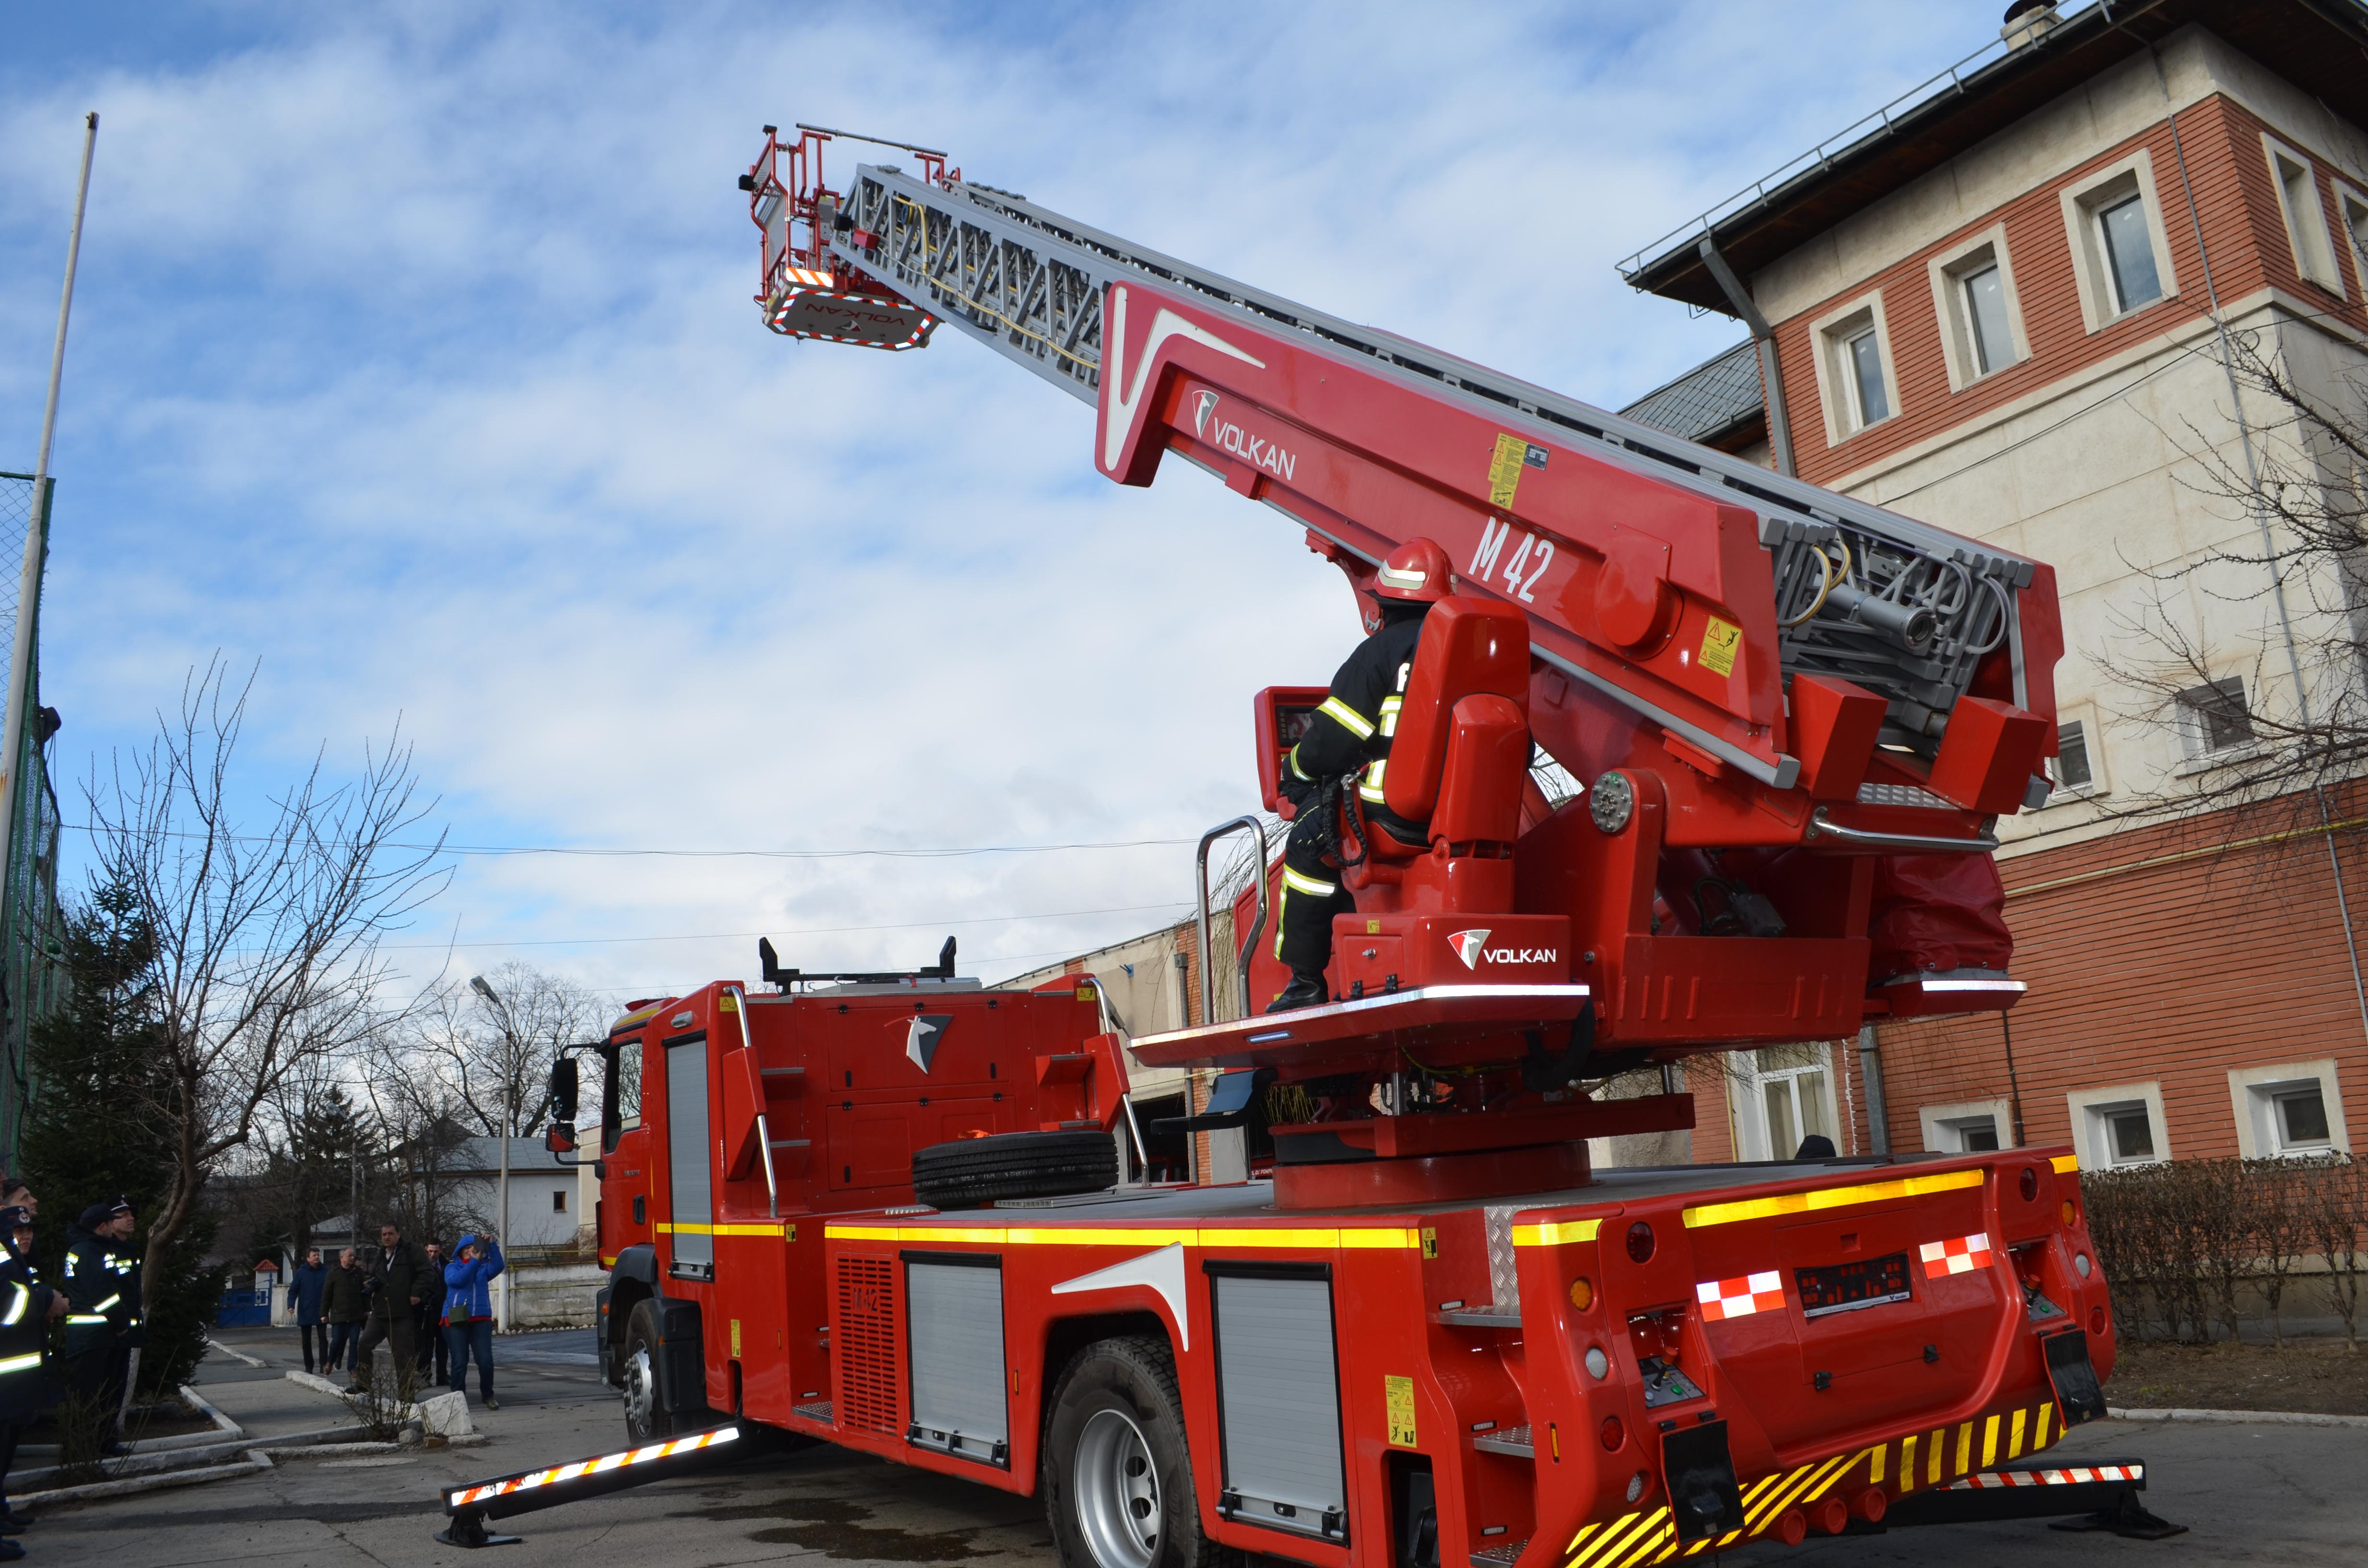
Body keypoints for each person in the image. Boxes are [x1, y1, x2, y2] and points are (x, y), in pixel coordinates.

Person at [1268, 536, 1453, 1013]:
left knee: (1309, 841)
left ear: (1384, 604)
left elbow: (1332, 740)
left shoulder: (1378, 653)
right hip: (1460, 813)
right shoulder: (1474, 653)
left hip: (1395, 813)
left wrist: (1293, 772)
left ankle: (1305, 983)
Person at [0, 1203, 64, 1551]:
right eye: (18, 1231)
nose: (25, 1236)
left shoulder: (14, 1257)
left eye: (29, 1230)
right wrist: (46, 1299)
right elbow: (8, 1307)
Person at [62, 1198, 141, 1455]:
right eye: (111, 1221)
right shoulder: (88, 1251)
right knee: (90, 1396)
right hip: (93, 1336)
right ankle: (81, 1451)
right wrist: (121, 1324)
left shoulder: (94, 1249)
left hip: (101, 1336)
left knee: (107, 1393)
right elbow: (104, 1294)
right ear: (103, 1225)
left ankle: (103, 1444)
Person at [347, 1222, 434, 1396]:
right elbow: (377, 1276)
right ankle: (364, 1384)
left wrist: (416, 1292)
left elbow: (427, 1273)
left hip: (402, 1313)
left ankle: (406, 1395)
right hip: (381, 1310)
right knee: (364, 1345)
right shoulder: (381, 1255)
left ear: (398, 1234)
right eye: (384, 1235)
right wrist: (372, 1284)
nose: (386, 1237)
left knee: (403, 1356)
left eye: (390, 1234)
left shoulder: (412, 1251)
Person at [440, 1232, 506, 1410]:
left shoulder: (484, 1268)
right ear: (460, 1252)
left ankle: (488, 1395)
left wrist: (492, 1244)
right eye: (467, 1249)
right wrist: (474, 1262)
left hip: (481, 1319)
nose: (471, 1251)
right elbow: (458, 1281)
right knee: (459, 1361)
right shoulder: (452, 1267)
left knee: (485, 1360)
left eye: (474, 1247)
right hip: (455, 1320)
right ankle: (457, 1398)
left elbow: (499, 1266)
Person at [323, 1248, 367, 1375]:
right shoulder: (334, 1273)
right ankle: (330, 1362)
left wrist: (367, 1309)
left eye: (353, 1256)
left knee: (354, 1342)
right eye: (350, 1256)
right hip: (339, 1314)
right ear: (342, 1258)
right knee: (336, 1341)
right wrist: (324, 1313)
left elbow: (365, 1293)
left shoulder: (358, 1273)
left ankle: (352, 1368)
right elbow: (327, 1295)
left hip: (356, 1315)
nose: (352, 1258)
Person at [288, 1248, 329, 1375]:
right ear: (308, 1258)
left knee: (323, 1339)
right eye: (314, 1255)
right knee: (306, 1341)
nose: (317, 1257)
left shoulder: (325, 1272)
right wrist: (291, 1306)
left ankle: (324, 1365)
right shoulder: (301, 1273)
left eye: (318, 1255)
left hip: (321, 1309)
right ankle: (309, 1366)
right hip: (305, 1309)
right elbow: (293, 1291)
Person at [414, 1240, 447, 1386]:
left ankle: (442, 1375)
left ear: (441, 1250)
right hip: (425, 1312)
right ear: (425, 1250)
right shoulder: (419, 1267)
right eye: (430, 1251)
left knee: (443, 1346)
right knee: (425, 1347)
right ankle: (425, 1375)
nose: (433, 1255)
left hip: (443, 1311)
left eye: (436, 1251)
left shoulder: (446, 1266)